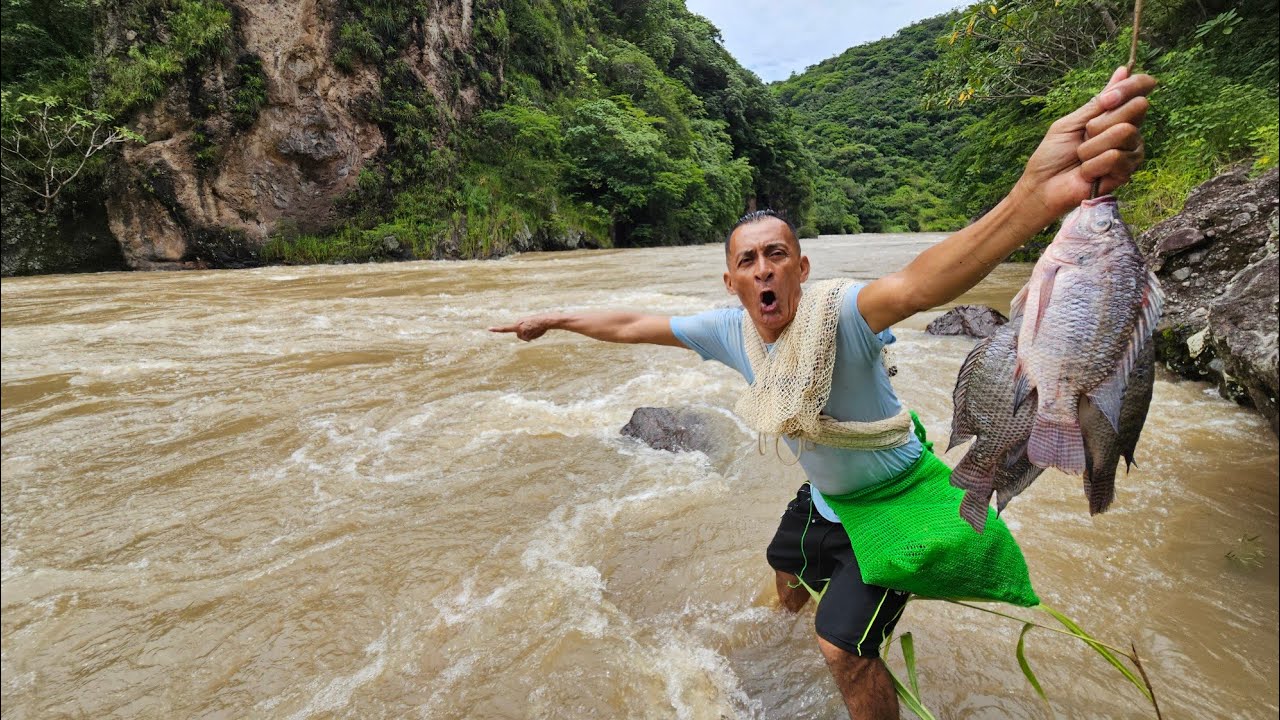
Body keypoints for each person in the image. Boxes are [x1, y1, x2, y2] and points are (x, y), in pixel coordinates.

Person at [491, 67, 1156, 719]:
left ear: (800, 267)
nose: (763, 269)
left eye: (776, 254)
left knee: (843, 652)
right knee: (784, 568)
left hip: (895, 501)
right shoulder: (729, 330)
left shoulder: (842, 315)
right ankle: (784, 624)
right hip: (828, 499)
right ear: (732, 281)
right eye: (748, 261)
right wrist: (556, 318)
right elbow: (635, 323)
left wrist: (1035, 197)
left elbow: (923, 282)